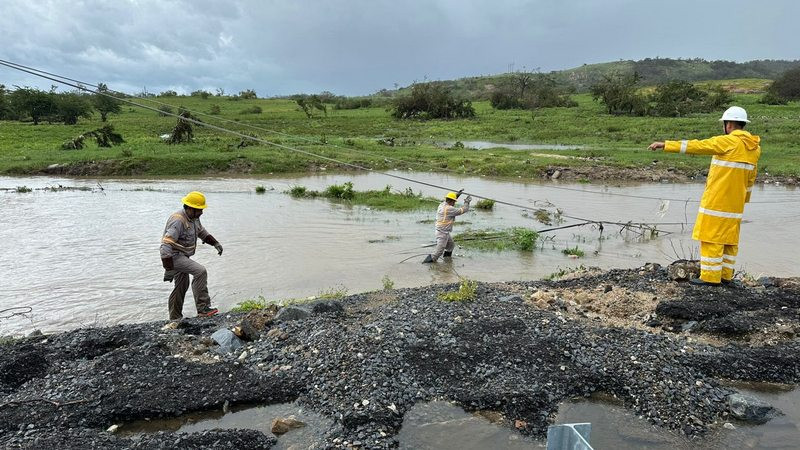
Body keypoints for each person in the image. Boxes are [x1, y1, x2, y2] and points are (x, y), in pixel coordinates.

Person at [648, 106, 761, 286]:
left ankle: (710, 278)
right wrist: (744, 199)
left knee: (711, 237)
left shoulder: (727, 142)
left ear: (729, 124)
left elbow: (698, 145)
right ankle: (726, 276)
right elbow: (751, 178)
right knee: (729, 240)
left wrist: (666, 145)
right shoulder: (754, 148)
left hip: (717, 202)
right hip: (735, 205)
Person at [160, 191, 224, 319]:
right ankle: (203, 308)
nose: (202, 212)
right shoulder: (178, 221)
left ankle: (175, 317)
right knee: (200, 271)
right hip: (174, 256)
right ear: (190, 208)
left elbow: (201, 232)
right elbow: (165, 245)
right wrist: (168, 268)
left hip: (182, 256)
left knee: (181, 286)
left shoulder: (194, 218)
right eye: (199, 210)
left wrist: (215, 243)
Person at [423, 189, 472, 263]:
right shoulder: (449, 209)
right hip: (442, 233)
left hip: (443, 232)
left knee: (450, 246)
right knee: (437, 253)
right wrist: (467, 202)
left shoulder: (442, 204)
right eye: (454, 201)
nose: (454, 203)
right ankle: (425, 264)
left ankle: (447, 262)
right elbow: (463, 210)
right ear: (451, 201)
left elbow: (451, 199)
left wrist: (457, 194)